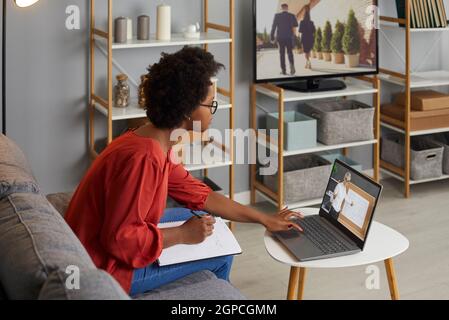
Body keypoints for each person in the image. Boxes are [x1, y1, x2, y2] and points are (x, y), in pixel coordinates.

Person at [65, 47, 303, 297]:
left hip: (98, 250)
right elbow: (120, 240)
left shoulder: (152, 140)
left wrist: (263, 218)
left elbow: (203, 196)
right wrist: (182, 234)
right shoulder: (144, 158)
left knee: (203, 217)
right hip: (103, 269)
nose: (213, 111)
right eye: (210, 104)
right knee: (221, 256)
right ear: (188, 109)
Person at [270, 3, 298, 76]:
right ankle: (292, 67)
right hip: (289, 37)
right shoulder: (292, 16)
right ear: (287, 8)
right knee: (290, 53)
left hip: (280, 38)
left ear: (281, 8)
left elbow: (273, 27)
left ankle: (283, 70)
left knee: (282, 54)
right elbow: (295, 26)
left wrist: (272, 37)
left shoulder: (277, 16)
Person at [299, 5, 316, 70]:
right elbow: (314, 31)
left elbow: (300, 31)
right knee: (308, 51)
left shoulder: (302, 22)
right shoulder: (311, 22)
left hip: (304, 38)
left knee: (305, 52)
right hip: (310, 38)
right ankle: (307, 63)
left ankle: (308, 62)